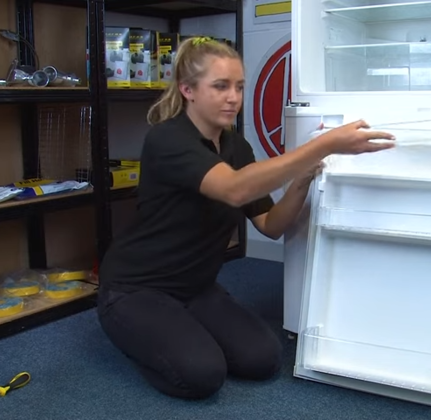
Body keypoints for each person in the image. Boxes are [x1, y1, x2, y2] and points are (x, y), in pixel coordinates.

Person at [96, 36, 395, 400]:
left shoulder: (237, 146)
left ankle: (178, 329)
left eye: (239, 87)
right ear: (188, 89)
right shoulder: (167, 140)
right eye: (220, 86)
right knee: (202, 375)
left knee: (263, 360)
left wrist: (301, 182)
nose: (233, 97)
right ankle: (138, 335)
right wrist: (326, 143)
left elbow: (270, 224)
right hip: (135, 288)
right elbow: (235, 189)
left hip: (195, 287)